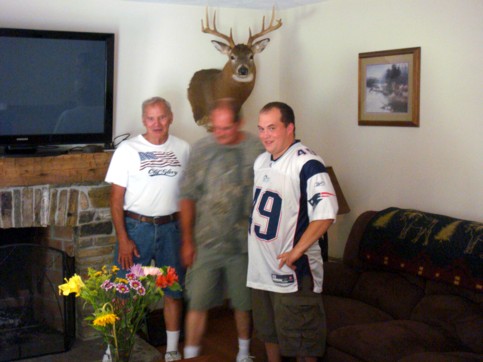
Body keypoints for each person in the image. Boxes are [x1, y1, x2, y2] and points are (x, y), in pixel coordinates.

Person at [247, 102, 339, 362]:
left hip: (293, 273)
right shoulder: (261, 161)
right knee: (269, 333)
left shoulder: (307, 163)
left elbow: (327, 213)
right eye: (261, 128)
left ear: (290, 128)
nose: (265, 135)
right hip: (262, 268)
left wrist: (296, 251)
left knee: (303, 343)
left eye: (272, 128)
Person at [104, 97, 190, 362]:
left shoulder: (184, 148)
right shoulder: (128, 150)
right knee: (124, 293)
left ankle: (172, 349)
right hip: (136, 229)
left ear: (171, 117)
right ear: (143, 120)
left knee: (173, 292)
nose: (157, 123)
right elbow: (116, 199)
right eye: (151, 118)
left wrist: (188, 236)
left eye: (162, 117)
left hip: (171, 230)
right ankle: (113, 349)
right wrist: (123, 238)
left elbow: (188, 195)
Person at [179, 99, 264, 362]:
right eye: (215, 128)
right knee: (197, 301)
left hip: (243, 244)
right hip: (206, 241)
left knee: (243, 303)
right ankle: (190, 354)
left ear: (239, 123)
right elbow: (187, 195)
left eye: (226, 128)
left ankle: (243, 353)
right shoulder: (201, 149)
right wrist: (187, 241)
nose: (220, 134)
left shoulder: (256, 148)